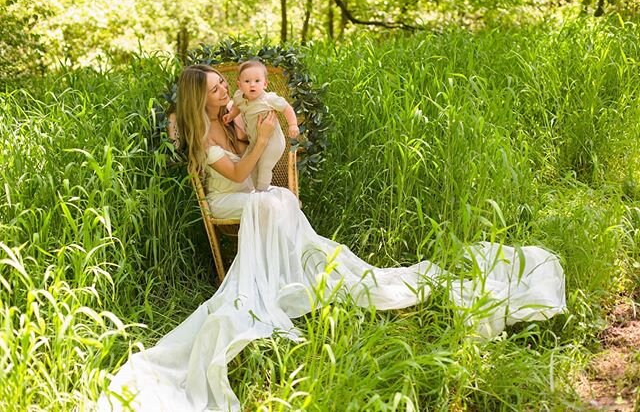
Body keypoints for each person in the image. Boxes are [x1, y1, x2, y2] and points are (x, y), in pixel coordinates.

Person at [98, 64, 567, 412]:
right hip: (227, 201)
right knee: (272, 201)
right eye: (217, 89)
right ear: (199, 99)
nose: (226, 91)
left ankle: (289, 272)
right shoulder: (202, 134)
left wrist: (262, 127)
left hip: (253, 196)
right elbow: (240, 173)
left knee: (276, 200)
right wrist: (260, 141)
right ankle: (269, 283)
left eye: (227, 85)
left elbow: (270, 127)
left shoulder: (235, 116)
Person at [221, 60, 299, 191]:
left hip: (273, 142)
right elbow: (237, 107)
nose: (252, 85)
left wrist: (293, 125)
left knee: (264, 165)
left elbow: (287, 108)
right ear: (239, 85)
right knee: (249, 164)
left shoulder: (269, 99)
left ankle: (262, 192)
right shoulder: (239, 96)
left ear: (265, 84)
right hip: (254, 141)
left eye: (257, 81)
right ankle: (253, 190)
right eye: (247, 81)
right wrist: (231, 116)